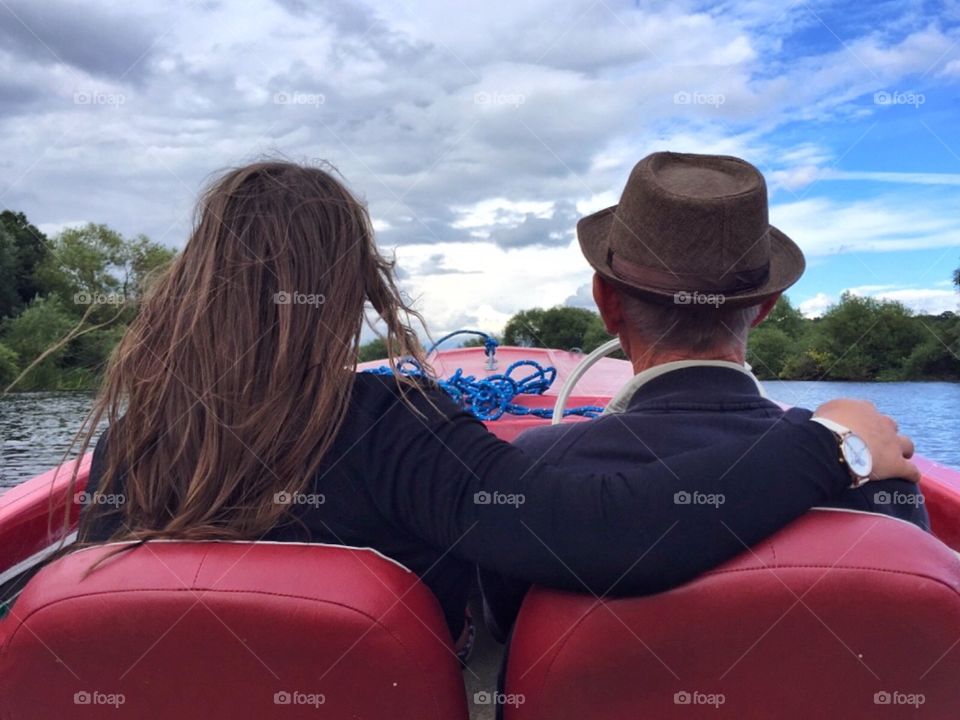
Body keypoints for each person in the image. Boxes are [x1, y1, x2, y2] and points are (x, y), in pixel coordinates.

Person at [76, 161, 917, 651]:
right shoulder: (393, 430)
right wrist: (831, 439)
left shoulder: (127, 452)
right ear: (347, 293)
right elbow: (604, 532)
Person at [480, 151, 928, 640]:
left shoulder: (536, 471)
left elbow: (508, 630)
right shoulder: (884, 482)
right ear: (764, 307)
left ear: (607, 302)